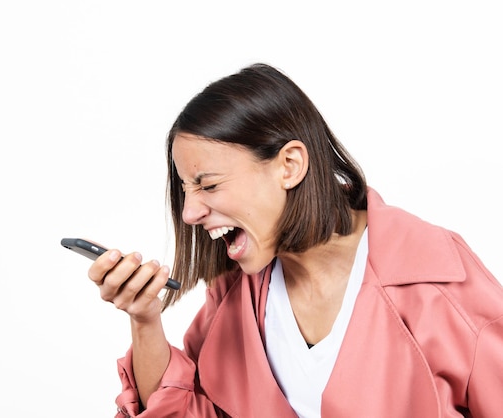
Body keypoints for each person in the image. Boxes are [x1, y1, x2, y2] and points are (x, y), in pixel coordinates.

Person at [88, 63, 503, 418]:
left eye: (208, 185)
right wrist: (145, 319)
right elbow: (187, 408)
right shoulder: (237, 296)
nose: (189, 212)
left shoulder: (437, 284)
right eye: (185, 189)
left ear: (289, 165)